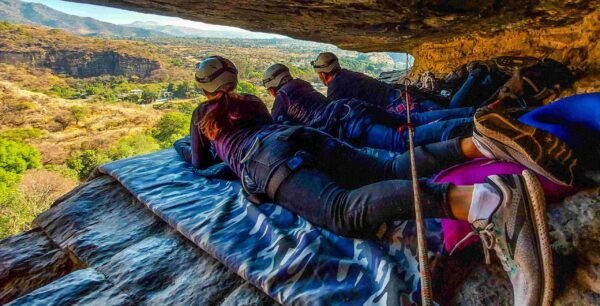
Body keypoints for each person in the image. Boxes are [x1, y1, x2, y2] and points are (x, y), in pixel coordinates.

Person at [187, 55, 557, 306]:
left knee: (342, 210)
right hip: (302, 136)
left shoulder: (204, 115)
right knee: (390, 165)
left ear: (204, 88)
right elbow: (274, 128)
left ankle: (487, 203)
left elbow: (200, 161)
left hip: (266, 160)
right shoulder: (252, 102)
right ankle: (476, 142)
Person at [263, 63, 475, 154]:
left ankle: (472, 124)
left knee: (401, 142)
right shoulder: (305, 85)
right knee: (413, 122)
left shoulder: (282, 98)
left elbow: (275, 130)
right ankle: (471, 115)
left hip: (348, 124)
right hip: (358, 110)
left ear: (272, 89)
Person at [310, 52, 474, 120]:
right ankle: (476, 83)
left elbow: (333, 113)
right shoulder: (347, 73)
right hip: (402, 94)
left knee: (444, 116)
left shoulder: (335, 87)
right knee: (446, 111)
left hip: (397, 106)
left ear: (323, 75)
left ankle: (475, 112)